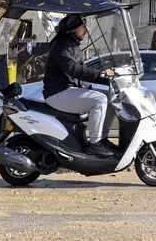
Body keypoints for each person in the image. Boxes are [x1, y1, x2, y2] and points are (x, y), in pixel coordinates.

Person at [43, 13, 118, 157]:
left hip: (68, 91)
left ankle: (102, 138)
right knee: (99, 99)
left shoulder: (71, 45)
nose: (86, 30)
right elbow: (73, 69)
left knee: (110, 96)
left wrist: (109, 78)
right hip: (57, 93)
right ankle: (95, 144)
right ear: (73, 28)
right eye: (83, 26)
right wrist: (99, 74)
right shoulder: (61, 45)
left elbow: (81, 74)